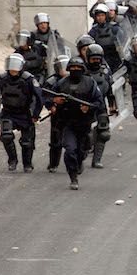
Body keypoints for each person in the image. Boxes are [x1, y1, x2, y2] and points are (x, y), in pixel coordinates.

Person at [52, 57, 105, 189]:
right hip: (67, 123)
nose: (75, 71)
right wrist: (55, 100)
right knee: (70, 150)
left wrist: (89, 107)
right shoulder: (62, 83)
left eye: (78, 69)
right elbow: (47, 96)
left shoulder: (90, 83)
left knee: (81, 151)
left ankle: (79, 161)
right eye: (73, 68)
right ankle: (73, 177)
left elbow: (99, 102)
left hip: (84, 123)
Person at [0, 53, 43, 172]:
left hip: (24, 113)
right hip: (8, 112)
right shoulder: (2, 78)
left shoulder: (28, 79)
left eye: (16, 68)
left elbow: (39, 97)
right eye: (11, 68)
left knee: (27, 142)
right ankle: (12, 160)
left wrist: (35, 115)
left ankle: (27, 164)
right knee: (6, 136)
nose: (13, 71)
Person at [85, 44, 114, 168]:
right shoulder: (83, 72)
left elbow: (110, 90)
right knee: (86, 135)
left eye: (98, 59)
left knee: (104, 133)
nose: (95, 62)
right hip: (86, 107)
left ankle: (96, 160)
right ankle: (81, 154)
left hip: (101, 106)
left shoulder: (105, 72)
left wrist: (112, 105)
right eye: (93, 59)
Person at [43, 55, 70, 172]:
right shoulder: (51, 82)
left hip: (74, 114)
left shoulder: (77, 80)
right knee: (56, 141)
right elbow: (45, 96)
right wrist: (52, 104)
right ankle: (53, 163)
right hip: (58, 115)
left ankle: (76, 162)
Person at [88, 3, 122, 71]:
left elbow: (123, 40)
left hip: (114, 58)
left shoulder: (115, 28)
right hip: (101, 59)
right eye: (98, 16)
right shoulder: (93, 31)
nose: (100, 17)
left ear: (106, 16)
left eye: (102, 15)